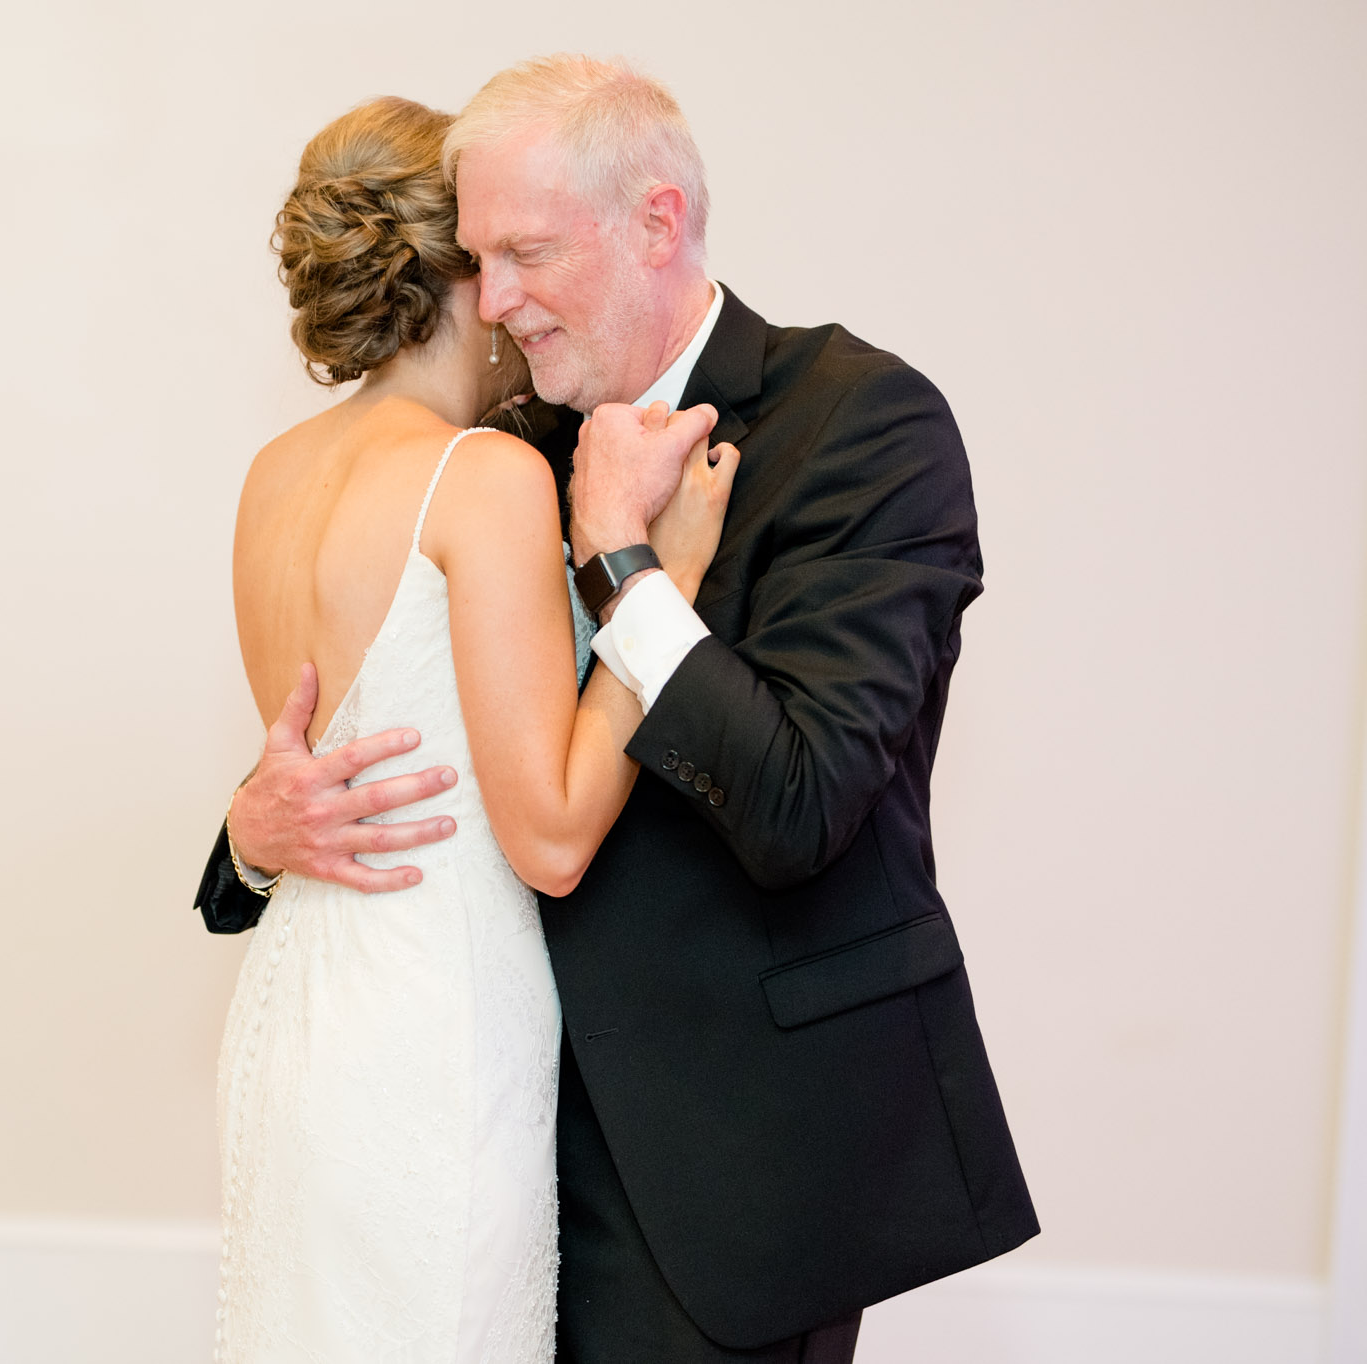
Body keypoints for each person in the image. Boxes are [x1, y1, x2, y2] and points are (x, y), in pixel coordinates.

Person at [197, 56, 1038, 1363]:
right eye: (482, 259)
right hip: (488, 1116)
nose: (500, 299)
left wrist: (632, 569)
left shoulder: (860, 426)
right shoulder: (495, 447)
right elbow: (401, 738)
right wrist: (254, 832)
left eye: (527, 253)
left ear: (656, 223)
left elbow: (803, 802)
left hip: (728, 1156)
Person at [210, 95, 735, 1363]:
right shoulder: (481, 475)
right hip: (433, 1038)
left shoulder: (273, 470)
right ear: (456, 272)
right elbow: (549, 835)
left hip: (300, 1017)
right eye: (495, 258)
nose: (512, 297)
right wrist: (650, 582)